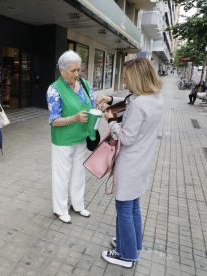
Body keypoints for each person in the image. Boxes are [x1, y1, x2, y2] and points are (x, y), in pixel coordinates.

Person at [96, 57, 164, 268]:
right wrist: (111, 98)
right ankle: (133, 244)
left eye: (126, 78)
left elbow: (126, 138)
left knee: (124, 208)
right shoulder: (155, 98)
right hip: (142, 162)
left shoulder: (139, 104)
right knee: (133, 206)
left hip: (129, 164)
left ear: (136, 78)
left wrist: (110, 120)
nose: (124, 82)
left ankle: (126, 255)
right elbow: (129, 100)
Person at [46, 50, 95, 224]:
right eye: (72, 71)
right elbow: (53, 120)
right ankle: (60, 209)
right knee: (62, 174)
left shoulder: (85, 85)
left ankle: (77, 204)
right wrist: (73, 118)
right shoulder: (54, 89)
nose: (76, 74)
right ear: (62, 70)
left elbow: (93, 106)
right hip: (63, 140)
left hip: (81, 137)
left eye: (78, 70)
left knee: (78, 173)